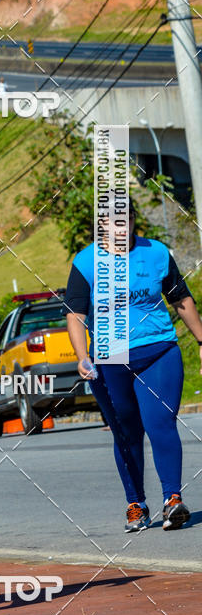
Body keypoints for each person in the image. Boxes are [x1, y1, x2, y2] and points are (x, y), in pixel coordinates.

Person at [65, 198, 202, 533]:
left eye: (126, 220)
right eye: (113, 222)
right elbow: (75, 315)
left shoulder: (156, 252)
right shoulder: (86, 262)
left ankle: (173, 500)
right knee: (127, 434)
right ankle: (136, 504)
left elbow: (181, 299)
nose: (121, 228)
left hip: (159, 352)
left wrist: (201, 339)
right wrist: (82, 355)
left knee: (161, 425)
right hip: (110, 361)